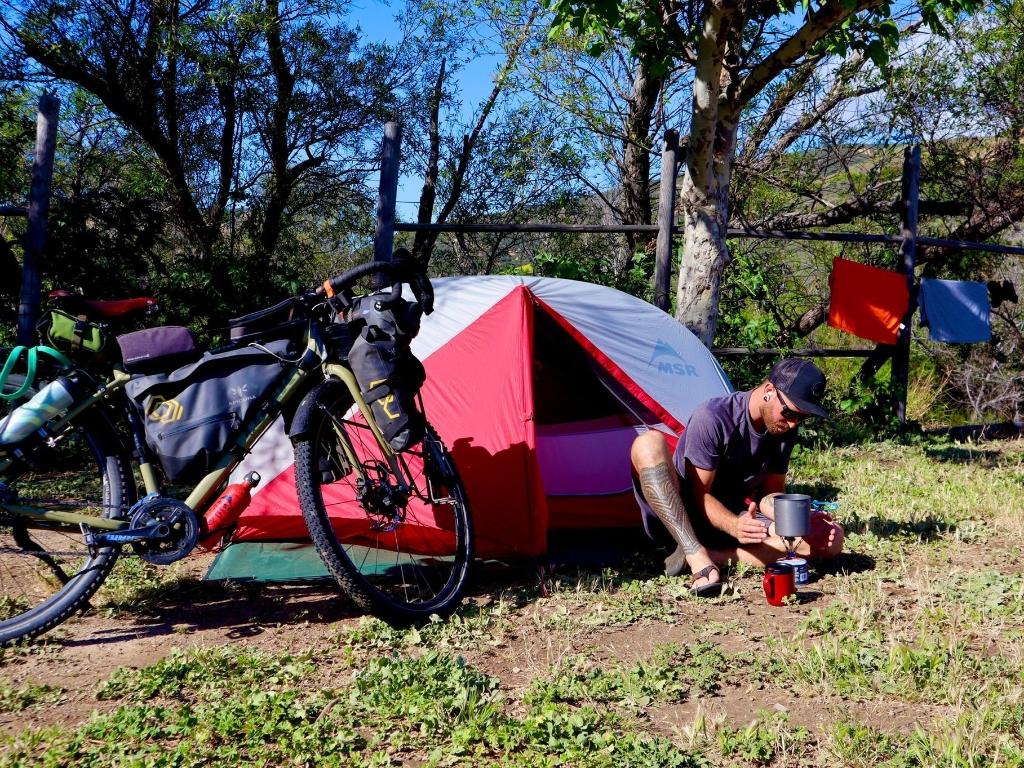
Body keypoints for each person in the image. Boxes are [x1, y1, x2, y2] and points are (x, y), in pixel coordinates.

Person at [630, 358, 844, 596]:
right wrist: (733, 525)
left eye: (802, 418)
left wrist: (796, 517)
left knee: (829, 540)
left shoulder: (783, 430)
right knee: (647, 443)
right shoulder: (714, 416)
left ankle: (715, 557)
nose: (794, 424)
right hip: (681, 519)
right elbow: (697, 495)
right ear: (769, 391)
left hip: (730, 525)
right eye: (790, 413)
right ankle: (694, 553)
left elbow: (770, 493)